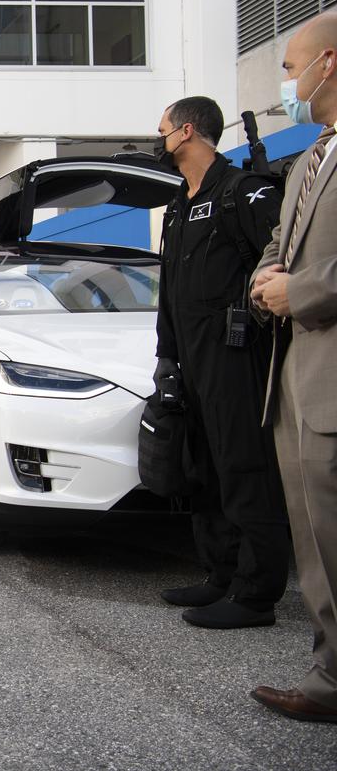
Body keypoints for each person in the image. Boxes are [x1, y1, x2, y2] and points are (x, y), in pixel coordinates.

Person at [152, 96, 289, 630]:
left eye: (161, 131)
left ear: (187, 132)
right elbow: (170, 292)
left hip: (236, 358)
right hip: (189, 359)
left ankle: (256, 595)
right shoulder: (179, 205)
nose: (157, 140)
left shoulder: (244, 192)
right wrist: (166, 356)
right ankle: (220, 573)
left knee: (245, 468)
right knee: (203, 468)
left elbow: (278, 263)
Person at [249, 11, 337, 723]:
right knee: (315, 536)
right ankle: (329, 672)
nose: (286, 82)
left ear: (327, 64)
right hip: (298, 379)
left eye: (288, 66)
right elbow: (279, 243)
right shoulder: (310, 159)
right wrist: (266, 277)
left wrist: (298, 291)